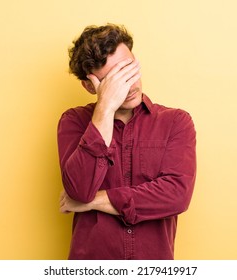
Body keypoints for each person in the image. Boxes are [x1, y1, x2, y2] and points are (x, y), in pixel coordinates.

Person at [57, 24, 196, 260]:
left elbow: (176, 195)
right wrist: (105, 108)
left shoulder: (176, 122)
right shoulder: (74, 122)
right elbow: (79, 189)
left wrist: (95, 201)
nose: (129, 86)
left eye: (129, 70)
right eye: (114, 79)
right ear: (90, 86)